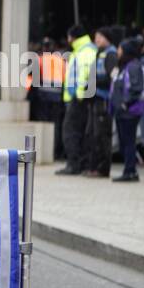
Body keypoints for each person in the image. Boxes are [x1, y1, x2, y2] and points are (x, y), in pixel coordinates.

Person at [55, 24, 96, 175]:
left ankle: (74, 164)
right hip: (76, 98)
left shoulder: (85, 51)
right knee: (78, 131)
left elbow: (85, 73)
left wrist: (78, 95)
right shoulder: (81, 50)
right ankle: (80, 164)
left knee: (70, 131)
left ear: (72, 37)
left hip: (78, 99)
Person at [109, 35, 144, 182]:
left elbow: (137, 88)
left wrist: (125, 103)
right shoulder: (122, 66)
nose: (118, 51)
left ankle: (130, 171)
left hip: (129, 112)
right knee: (124, 142)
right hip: (121, 111)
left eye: (120, 48)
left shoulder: (133, 66)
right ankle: (129, 170)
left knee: (128, 142)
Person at [84, 26, 119, 178]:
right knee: (91, 134)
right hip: (95, 99)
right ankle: (93, 167)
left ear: (107, 38)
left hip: (103, 100)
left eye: (100, 37)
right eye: (96, 37)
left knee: (101, 135)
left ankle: (103, 169)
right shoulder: (100, 53)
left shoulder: (111, 55)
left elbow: (113, 77)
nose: (96, 40)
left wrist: (94, 82)